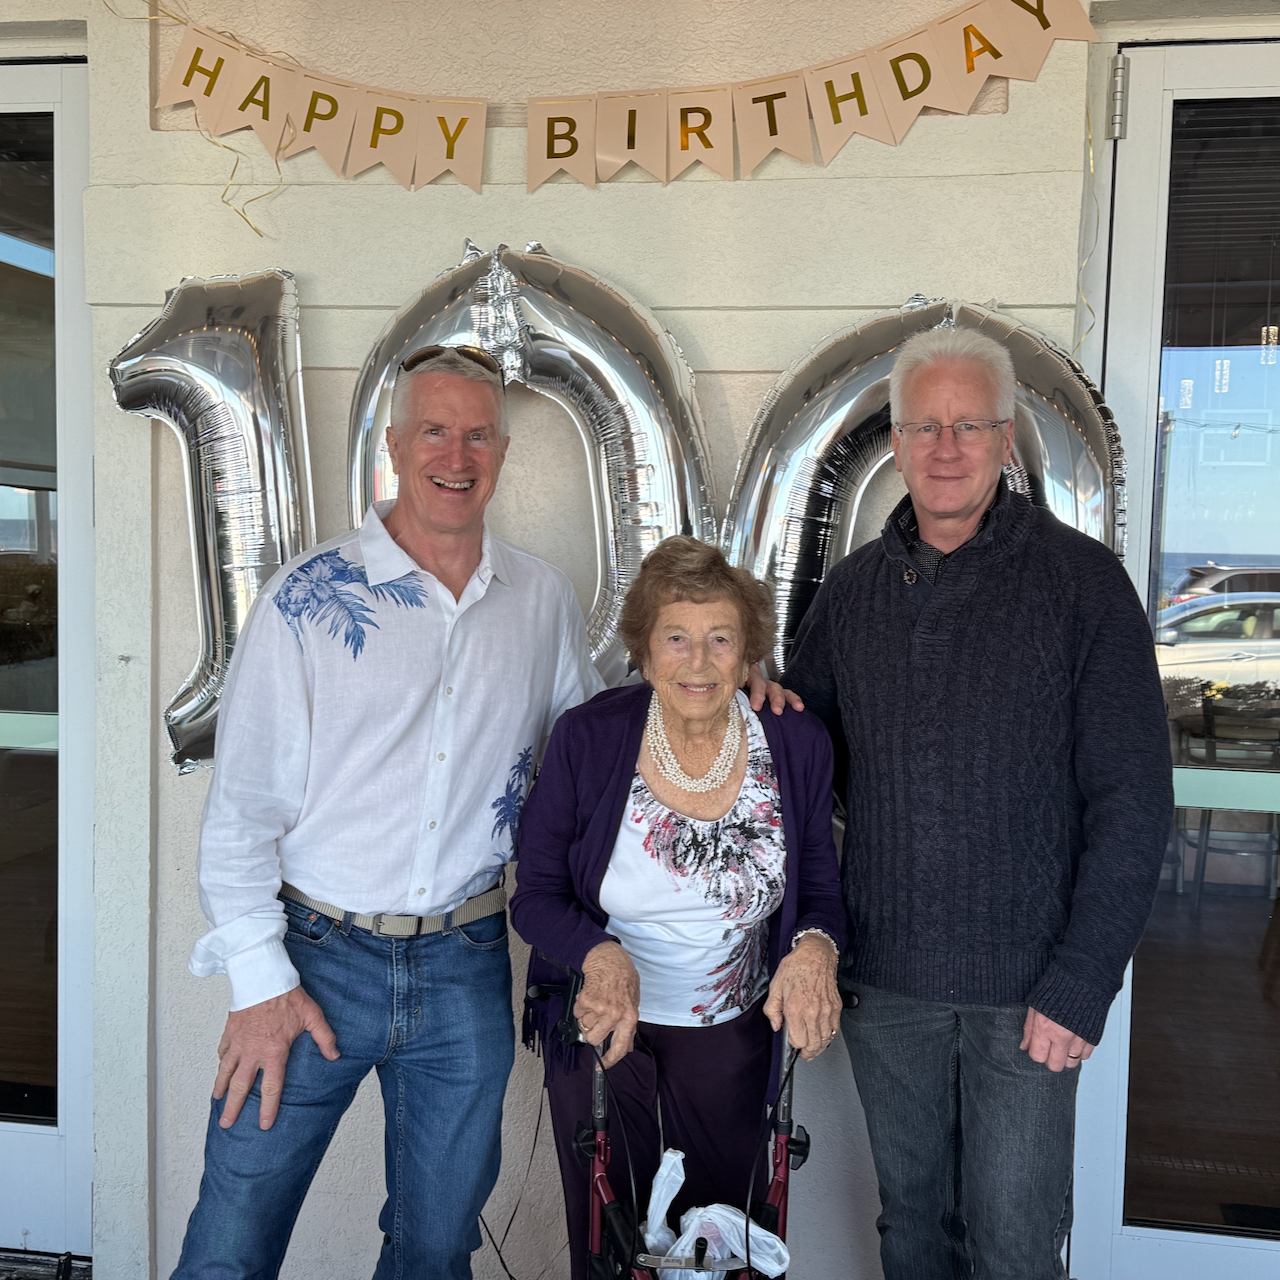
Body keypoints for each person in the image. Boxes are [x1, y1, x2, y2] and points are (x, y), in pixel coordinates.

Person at [173, 347, 793, 1280]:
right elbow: (239, 817)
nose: (455, 454)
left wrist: (718, 673)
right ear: (394, 445)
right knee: (235, 1231)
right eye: (434, 430)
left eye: (476, 434)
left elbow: (601, 739)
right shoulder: (305, 600)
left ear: (500, 453)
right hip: (312, 960)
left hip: (463, 966)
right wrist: (259, 985)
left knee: (434, 1247)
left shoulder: (536, 598)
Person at [784, 327, 1173, 1280]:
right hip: (888, 986)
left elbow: (1134, 799)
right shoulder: (851, 596)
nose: (946, 447)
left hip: (1029, 993)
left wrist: (1083, 982)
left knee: (1014, 1246)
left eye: (970, 425)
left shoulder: (1083, 586)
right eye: (926, 425)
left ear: (1007, 440)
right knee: (913, 1231)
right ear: (896, 441)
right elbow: (799, 768)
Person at [511, 536, 846, 1280]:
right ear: (644, 648)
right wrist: (598, 953)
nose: (698, 661)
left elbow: (819, 884)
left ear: (748, 651)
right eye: (676, 637)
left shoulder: (793, 741)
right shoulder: (589, 737)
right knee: (614, 1244)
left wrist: (815, 949)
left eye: (720, 638)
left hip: (730, 1036)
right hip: (605, 1026)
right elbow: (534, 895)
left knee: (720, 1244)